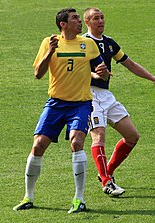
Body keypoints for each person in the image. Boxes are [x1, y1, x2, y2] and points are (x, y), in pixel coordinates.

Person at [13, 8, 110, 214]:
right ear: (63, 24)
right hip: (56, 104)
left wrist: (103, 73)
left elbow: (102, 73)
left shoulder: (89, 44)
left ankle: (79, 199)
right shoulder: (49, 42)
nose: (79, 22)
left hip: (81, 104)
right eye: (75, 19)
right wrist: (50, 51)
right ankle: (28, 197)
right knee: (38, 146)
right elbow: (38, 74)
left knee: (76, 142)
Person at [83, 8, 155, 196]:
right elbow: (74, 70)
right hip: (88, 95)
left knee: (132, 136)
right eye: (96, 18)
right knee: (98, 135)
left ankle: (107, 172)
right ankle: (107, 182)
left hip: (106, 96)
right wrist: (93, 74)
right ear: (87, 22)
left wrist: (154, 79)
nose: (101, 21)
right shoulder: (82, 44)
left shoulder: (109, 43)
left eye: (102, 17)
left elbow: (129, 63)